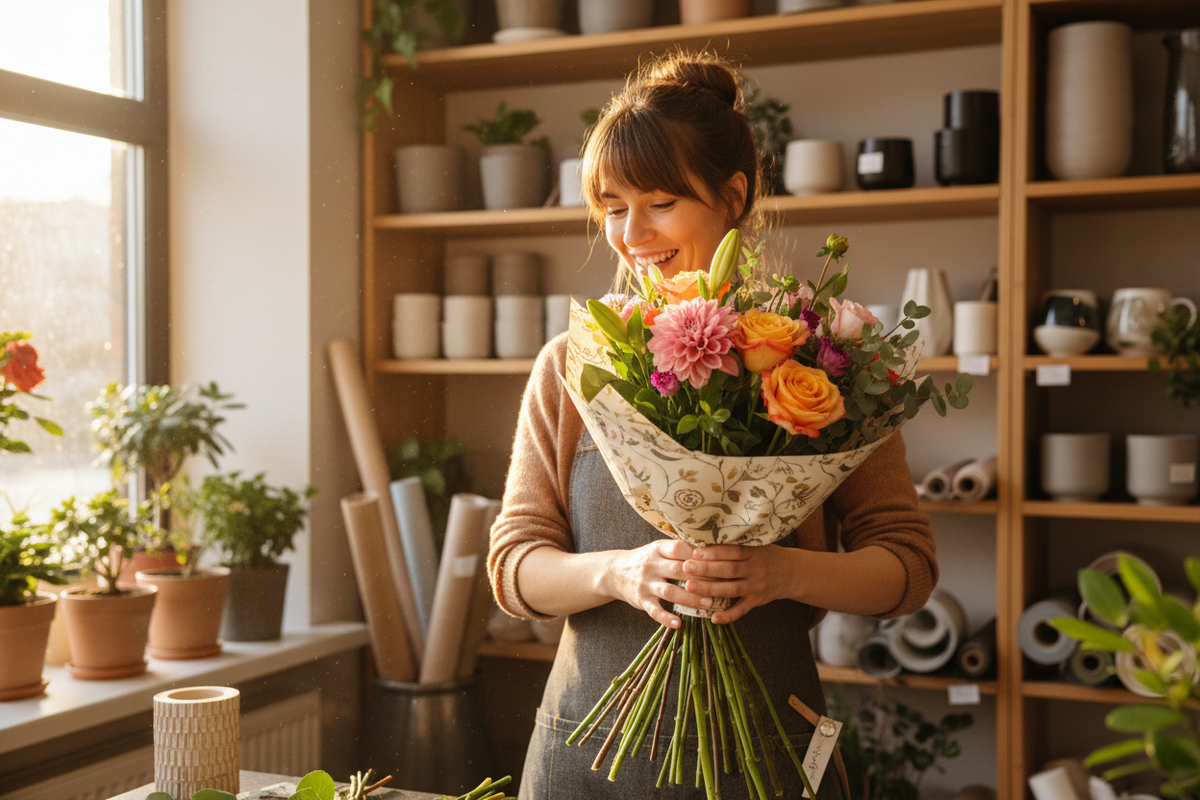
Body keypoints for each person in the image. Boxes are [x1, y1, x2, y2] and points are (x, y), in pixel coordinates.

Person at [487, 51, 937, 800]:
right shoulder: (571, 365)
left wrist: (785, 573)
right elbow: (514, 568)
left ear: (733, 196)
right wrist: (617, 573)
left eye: (660, 202)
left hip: (765, 754)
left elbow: (907, 566)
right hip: (586, 759)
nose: (630, 234)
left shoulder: (823, 360)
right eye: (613, 207)